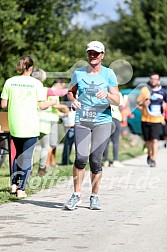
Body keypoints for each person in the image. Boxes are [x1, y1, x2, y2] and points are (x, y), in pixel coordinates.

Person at [63, 41, 120, 210]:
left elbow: (117, 100)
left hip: (102, 121)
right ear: (87, 55)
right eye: (90, 53)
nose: (93, 56)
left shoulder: (109, 74)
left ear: (102, 54)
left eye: (96, 53)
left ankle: (94, 196)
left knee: (95, 160)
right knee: (80, 158)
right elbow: (70, 92)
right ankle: (76, 195)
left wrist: (108, 95)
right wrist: (73, 101)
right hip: (82, 120)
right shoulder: (79, 73)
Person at [1, 55, 57, 198]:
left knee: (16, 155)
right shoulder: (37, 84)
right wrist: (52, 102)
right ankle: (21, 189)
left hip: (15, 125)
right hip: (30, 125)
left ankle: (13, 185)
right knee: (26, 157)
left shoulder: (10, 82)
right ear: (31, 68)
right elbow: (42, 105)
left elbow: (3, 105)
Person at [137, 73, 166, 167]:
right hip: (145, 119)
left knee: (155, 139)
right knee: (147, 141)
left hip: (157, 120)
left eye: (155, 79)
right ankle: (149, 154)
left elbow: (165, 105)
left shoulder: (163, 92)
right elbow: (138, 104)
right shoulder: (145, 90)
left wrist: (164, 109)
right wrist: (143, 105)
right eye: (152, 79)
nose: (153, 80)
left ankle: (153, 159)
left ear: (158, 81)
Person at [46, 79, 69, 169]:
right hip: (51, 120)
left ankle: (52, 162)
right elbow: (53, 105)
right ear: (58, 84)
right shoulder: (52, 93)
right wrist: (64, 107)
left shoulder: (54, 93)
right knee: (51, 143)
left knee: (54, 143)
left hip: (54, 118)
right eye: (62, 86)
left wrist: (63, 114)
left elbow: (54, 110)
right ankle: (47, 164)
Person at [103, 92, 125, 168]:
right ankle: (115, 160)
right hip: (116, 117)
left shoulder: (103, 92)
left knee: (106, 141)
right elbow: (121, 107)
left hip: (105, 118)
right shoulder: (118, 93)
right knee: (115, 141)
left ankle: (105, 160)